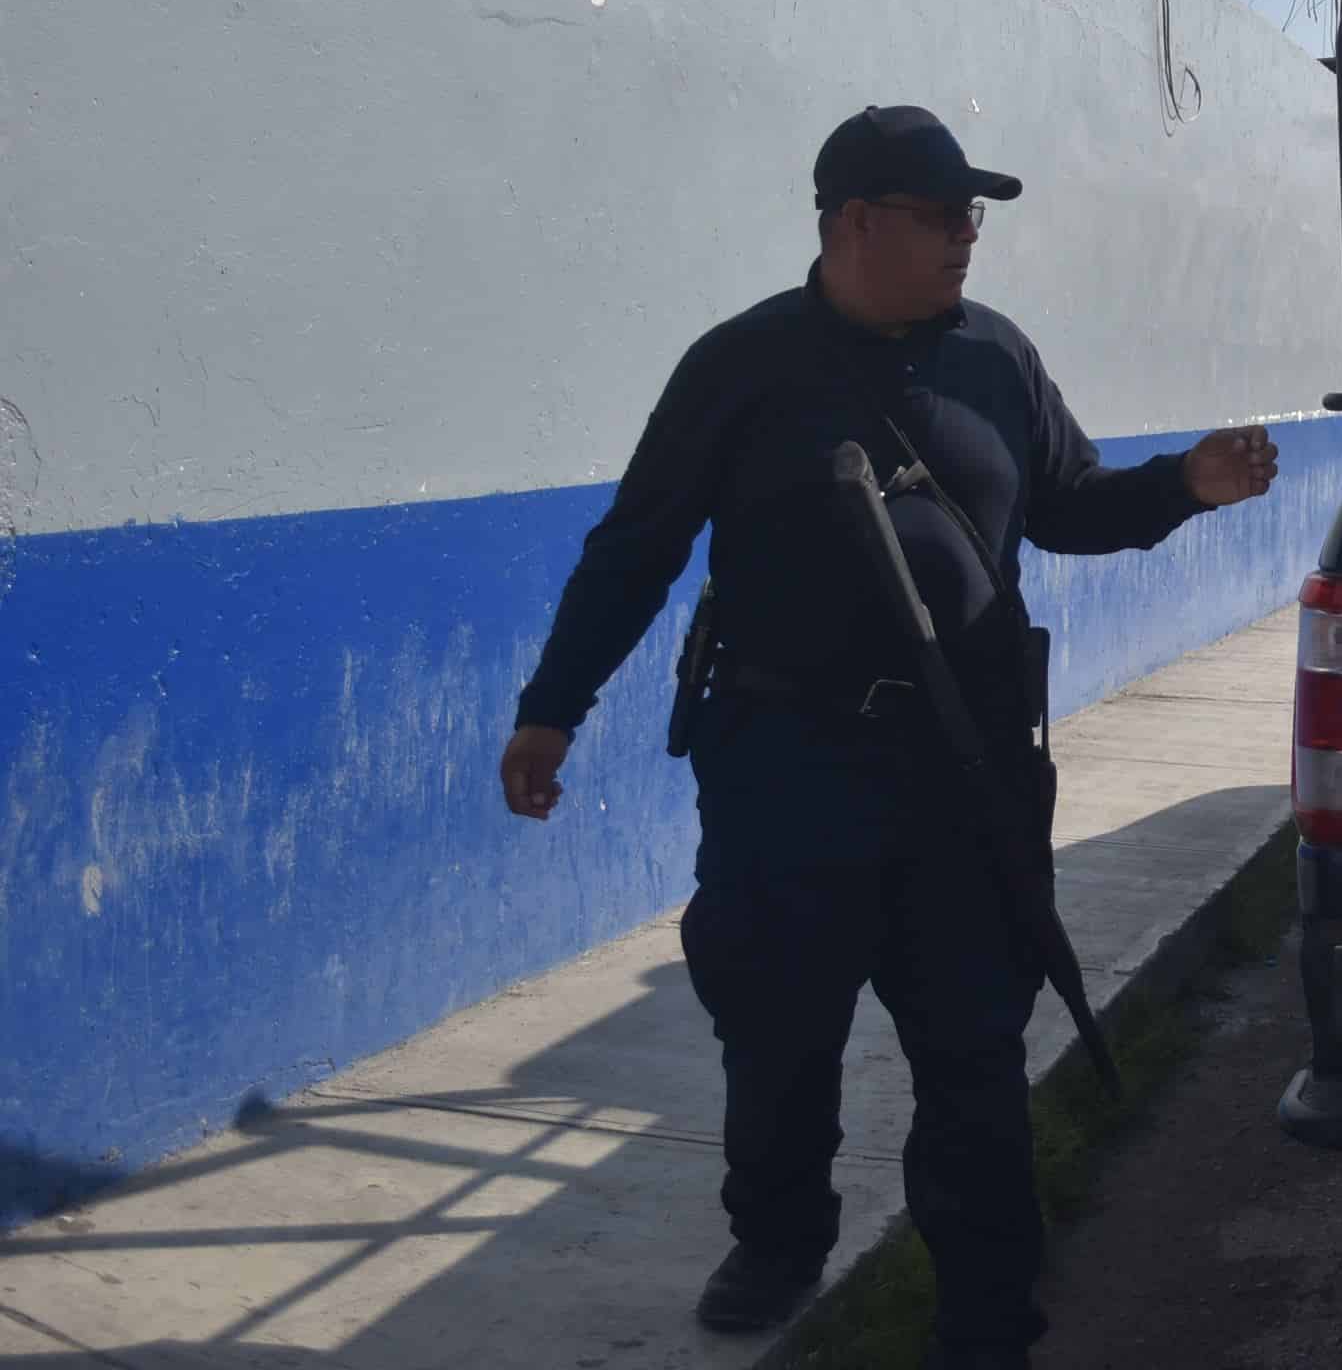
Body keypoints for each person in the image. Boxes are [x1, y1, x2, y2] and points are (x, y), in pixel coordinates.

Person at [495, 105, 1279, 1370]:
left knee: (973, 1051)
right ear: (853, 221)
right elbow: (635, 547)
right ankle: (778, 1235)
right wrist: (552, 705)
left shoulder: (996, 356)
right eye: (942, 214)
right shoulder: (738, 365)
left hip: (964, 772)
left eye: (975, 214)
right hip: (786, 765)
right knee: (778, 1029)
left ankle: (985, 1321)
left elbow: (1070, 506)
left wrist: (1181, 485)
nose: (970, 236)